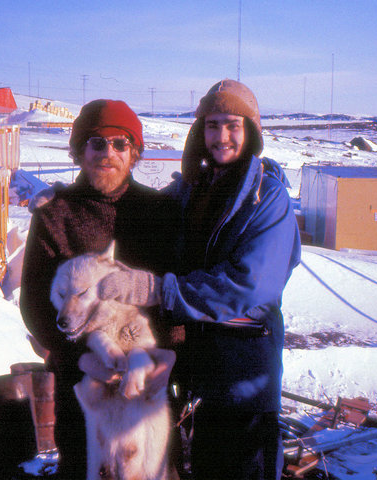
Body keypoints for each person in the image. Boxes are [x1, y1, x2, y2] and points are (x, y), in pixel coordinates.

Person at [97, 79, 301, 479]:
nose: (220, 136)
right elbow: (144, 215)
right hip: (201, 377)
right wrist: (76, 197)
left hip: (244, 381)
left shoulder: (268, 198)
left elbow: (249, 285)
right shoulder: (196, 190)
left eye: (232, 125)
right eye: (211, 125)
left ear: (252, 130)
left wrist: (160, 290)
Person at [19, 99, 178, 478]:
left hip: (148, 384)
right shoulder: (55, 214)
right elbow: (35, 302)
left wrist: (171, 356)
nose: (108, 153)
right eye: (96, 142)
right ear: (79, 150)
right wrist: (79, 360)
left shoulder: (159, 212)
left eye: (120, 143)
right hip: (83, 390)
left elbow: (173, 291)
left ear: (134, 152)